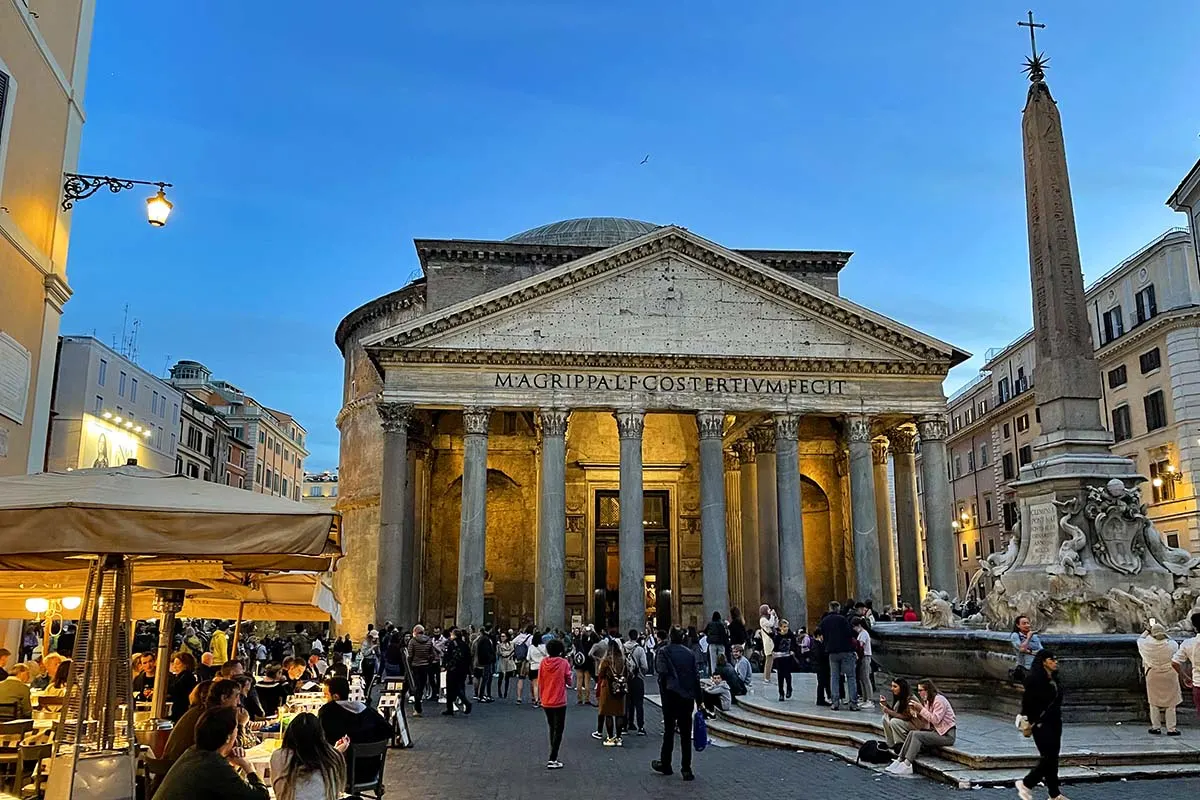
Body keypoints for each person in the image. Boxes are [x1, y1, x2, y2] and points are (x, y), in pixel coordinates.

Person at [152, 707, 269, 800]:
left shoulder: (193, 752)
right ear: (228, 737)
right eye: (236, 729)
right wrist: (248, 767)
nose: (237, 732)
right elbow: (261, 796)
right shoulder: (213, 764)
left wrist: (231, 762)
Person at [652, 627, 699, 781]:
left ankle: (666, 763)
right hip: (687, 698)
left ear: (670, 637)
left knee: (669, 731)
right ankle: (686, 769)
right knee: (686, 734)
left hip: (670, 696)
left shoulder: (664, 651)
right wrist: (700, 700)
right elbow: (696, 677)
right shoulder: (690, 654)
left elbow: (661, 671)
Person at [1016, 651, 1064, 800]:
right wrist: (1031, 720)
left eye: (1055, 659)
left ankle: (1054, 794)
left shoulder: (1054, 679)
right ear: (1043, 661)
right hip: (1041, 723)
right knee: (1048, 757)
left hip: (1055, 721)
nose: (1055, 662)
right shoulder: (1035, 680)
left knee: (1052, 758)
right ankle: (1026, 783)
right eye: (1052, 659)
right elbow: (1027, 702)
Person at [269, 711, 348, 800]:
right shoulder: (332, 757)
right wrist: (334, 752)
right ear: (320, 735)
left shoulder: (279, 756)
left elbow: (278, 790)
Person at [885, 679, 957, 776]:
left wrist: (921, 709)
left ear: (928, 690)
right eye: (918, 690)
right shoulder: (927, 701)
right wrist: (916, 713)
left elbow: (935, 719)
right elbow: (926, 721)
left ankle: (907, 764)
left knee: (917, 735)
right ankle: (900, 759)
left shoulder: (939, 700)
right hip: (935, 731)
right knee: (912, 733)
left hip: (946, 735)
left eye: (921, 690)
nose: (919, 693)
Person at [317, 676, 392, 748]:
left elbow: (321, 738)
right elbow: (387, 729)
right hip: (373, 757)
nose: (324, 698)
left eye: (326, 695)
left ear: (336, 696)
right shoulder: (366, 708)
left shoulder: (327, 712)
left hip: (343, 758)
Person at [1138, 622, 1181, 736]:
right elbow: (1173, 642)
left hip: (1153, 674)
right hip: (1170, 674)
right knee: (1171, 703)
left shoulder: (1147, 645)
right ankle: (1171, 728)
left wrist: (1147, 630)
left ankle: (1156, 727)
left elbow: (1140, 639)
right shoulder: (1172, 645)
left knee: (1154, 702)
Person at [538, 637, 572, 769]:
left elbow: (540, 681)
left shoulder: (543, 663)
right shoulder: (563, 663)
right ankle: (553, 757)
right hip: (559, 700)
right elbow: (569, 681)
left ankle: (553, 754)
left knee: (552, 727)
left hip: (546, 699)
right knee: (559, 729)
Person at [162, 680, 215, 763]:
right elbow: (215, 749)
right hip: (181, 766)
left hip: (173, 764)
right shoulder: (205, 715)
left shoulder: (194, 711)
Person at [819, 601, 858, 711]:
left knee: (834, 677)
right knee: (851, 677)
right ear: (838, 608)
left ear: (830, 608)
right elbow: (851, 633)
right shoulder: (843, 619)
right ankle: (853, 703)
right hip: (846, 650)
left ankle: (835, 702)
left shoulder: (824, 621)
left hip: (832, 652)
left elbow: (821, 634)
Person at [596, 639, 628, 746]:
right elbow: (628, 673)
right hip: (620, 687)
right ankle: (619, 738)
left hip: (608, 688)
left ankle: (610, 738)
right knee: (619, 713)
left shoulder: (607, 660)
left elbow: (600, 674)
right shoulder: (623, 659)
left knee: (608, 713)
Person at [880, 678, 921, 752]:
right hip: (906, 722)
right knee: (884, 718)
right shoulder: (899, 697)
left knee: (894, 722)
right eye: (892, 686)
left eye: (895, 687)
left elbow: (906, 717)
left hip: (915, 725)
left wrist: (889, 711)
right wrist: (886, 705)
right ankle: (890, 744)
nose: (892, 689)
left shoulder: (911, 698)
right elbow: (896, 712)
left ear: (902, 688)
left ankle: (901, 744)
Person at [1172, 611, 1200, 717]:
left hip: (1198, 684)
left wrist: (1186, 677)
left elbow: (1174, 663)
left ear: (1195, 627)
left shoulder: (1188, 643)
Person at [406, 625, 436, 717]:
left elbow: (410, 655)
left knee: (416, 687)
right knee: (421, 686)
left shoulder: (413, 641)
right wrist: (428, 662)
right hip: (425, 666)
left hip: (415, 666)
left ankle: (417, 708)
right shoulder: (429, 641)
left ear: (415, 631)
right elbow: (432, 654)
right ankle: (418, 705)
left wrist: (409, 664)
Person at [441, 629, 472, 716]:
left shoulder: (451, 644)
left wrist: (445, 665)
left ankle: (450, 708)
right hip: (462, 670)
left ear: (454, 635)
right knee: (460, 686)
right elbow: (469, 657)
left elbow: (447, 656)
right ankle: (463, 701)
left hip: (453, 670)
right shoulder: (465, 645)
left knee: (450, 688)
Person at [623, 630, 648, 735]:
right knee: (638, 703)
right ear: (637, 636)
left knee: (626, 702)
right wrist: (643, 673)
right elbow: (645, 666)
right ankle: (641, 727)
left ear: (628, 636)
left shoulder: (623, 648)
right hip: (637, 678)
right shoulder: (640, 649)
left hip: (625, 679)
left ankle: (625, 725)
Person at [167, 652, 199, 722]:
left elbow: (175, 690)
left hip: (182, 711)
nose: (175, 667)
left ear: (186, 664)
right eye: (174, 664)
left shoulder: (186, 677)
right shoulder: (179, 677)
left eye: (178, 664)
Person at [771, 619, 797, 701]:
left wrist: (793, 650)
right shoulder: (777, 636)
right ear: (780, 627)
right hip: (780, 657)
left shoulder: (790, 635)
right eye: (784, 627)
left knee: (788, 675)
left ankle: (789, 688)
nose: (786, 628)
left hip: (788, 657)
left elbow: (794, 644)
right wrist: (774, 652)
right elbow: (775, 646)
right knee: (780, 676)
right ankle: (781, 693)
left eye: (787, 627)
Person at [574, 625, 600, 705]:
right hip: (588, 662)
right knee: (587, 681)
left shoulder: (577, 641)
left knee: (579, 680)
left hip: (579, 662)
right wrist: (592, 631)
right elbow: (597, 640)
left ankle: (579, 699)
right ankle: (587, 699)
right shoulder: (590, 643)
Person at [853, 617, 874, 704]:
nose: (854, 629)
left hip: (865, 656)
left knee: (866, 678)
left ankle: (870, 699)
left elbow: (860, 645)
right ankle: (865, 698)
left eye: (855, 627)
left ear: (859, 625)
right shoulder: (860, 633)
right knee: (862, 678)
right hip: (862, 657)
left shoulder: (864, 633)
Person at [513, 625, 535, 705]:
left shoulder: (520, 636)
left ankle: (519, 698)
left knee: (520, 678)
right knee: (532, 679)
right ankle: (533, 697)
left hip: (520, 659)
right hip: (528, 660)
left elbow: (513, 643)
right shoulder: (531, 638)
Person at [527, 633, 548, 708]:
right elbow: (547, 656)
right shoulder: (544, 646)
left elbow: (528, 658)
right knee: (543, 685)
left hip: (533, 667)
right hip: (543, 667)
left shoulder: (531, 647)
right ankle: (542, 700)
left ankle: (536, 700)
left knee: (535, 685)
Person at [758, 604, 778, 681]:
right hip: (768, 641)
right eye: (768, 609)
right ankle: (766, 677)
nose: (769, 610)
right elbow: (770, 624)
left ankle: (768, 676)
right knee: (769, 659)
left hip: (771, 640)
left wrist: (775, 617)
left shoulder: (768, 618)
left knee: (771, 659)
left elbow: (775, 625)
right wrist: (772, 616)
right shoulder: (762, 619)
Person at [495, 631, 516, 700]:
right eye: (501, 636)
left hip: (508, 661)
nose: (502, 638)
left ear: (507, 637)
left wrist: (506, 653)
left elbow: (512, 651)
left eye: (503, 636)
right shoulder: (499, 644)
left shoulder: (511, 643)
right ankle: (499, 691)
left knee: (507, 678)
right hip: (502, 661)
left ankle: (505, 692)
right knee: (500, 677)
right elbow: (498, 653)